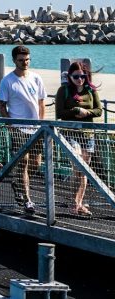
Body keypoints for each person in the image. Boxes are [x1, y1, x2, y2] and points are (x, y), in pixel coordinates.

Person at [0, 45, 47, 214]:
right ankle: (27, 200)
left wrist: (42, 122)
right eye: (21, 60)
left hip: (36, 128)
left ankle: (18, 183)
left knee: (36, 163)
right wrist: (9, 123)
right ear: (14, 60)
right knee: (23, 162)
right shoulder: (8, 80)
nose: (25, 62)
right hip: (18, 127)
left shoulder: (36, 78)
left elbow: (41, 102)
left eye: (27, 59)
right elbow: (2, 105)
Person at [54, 61, 101, 217]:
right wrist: (75, 111)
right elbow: (59, 113)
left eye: (82, 76)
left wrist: (86, 113)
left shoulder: (90, 90)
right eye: (76, 76)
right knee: (78, 166)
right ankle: (75, 204)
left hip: (88, 135)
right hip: (71, 133)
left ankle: (77, 203)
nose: (80, 79)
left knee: (83, 172)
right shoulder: (64, 90)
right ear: (70, 76)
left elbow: (99, 110)